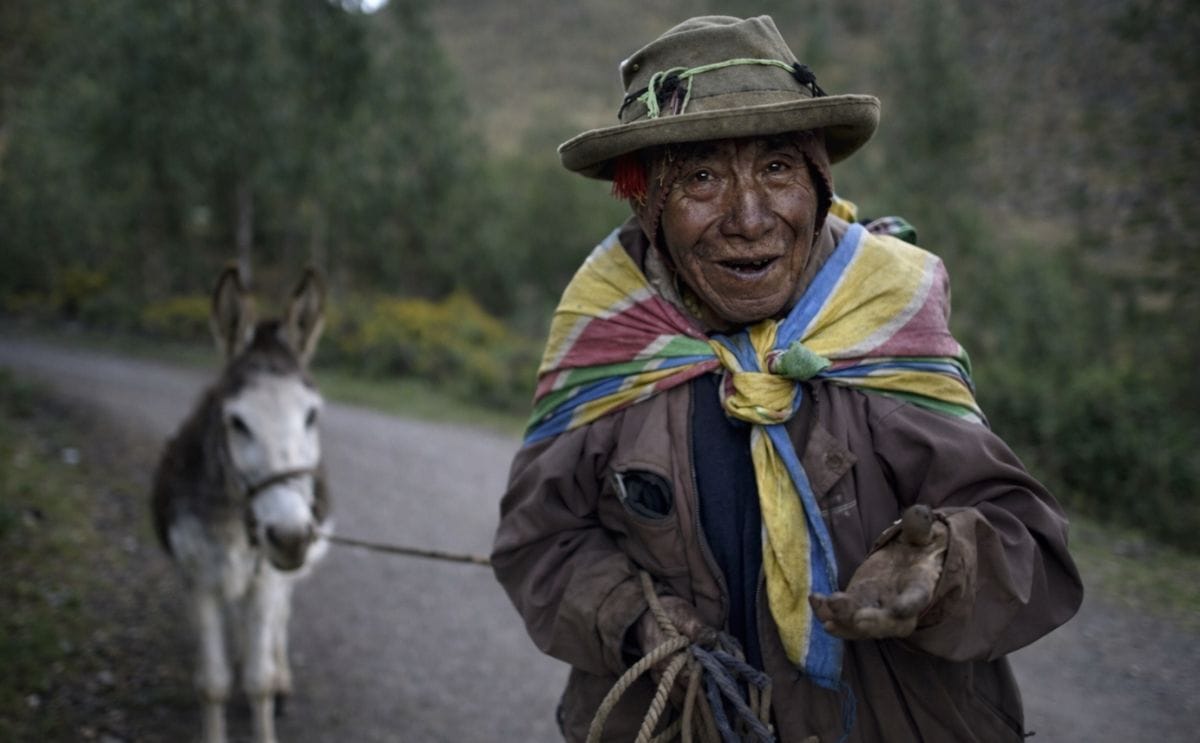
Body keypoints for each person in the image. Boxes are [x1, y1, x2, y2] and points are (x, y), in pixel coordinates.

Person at [492, 15, 1082, 743]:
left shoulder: (881, 316)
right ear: (646, 206)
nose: (748, 216)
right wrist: (632, 619)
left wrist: (941, 571)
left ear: (818, 182)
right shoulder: (610, 333)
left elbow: (1030, 542)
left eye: (776, 169)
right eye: (701, 177)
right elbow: (538, 540)